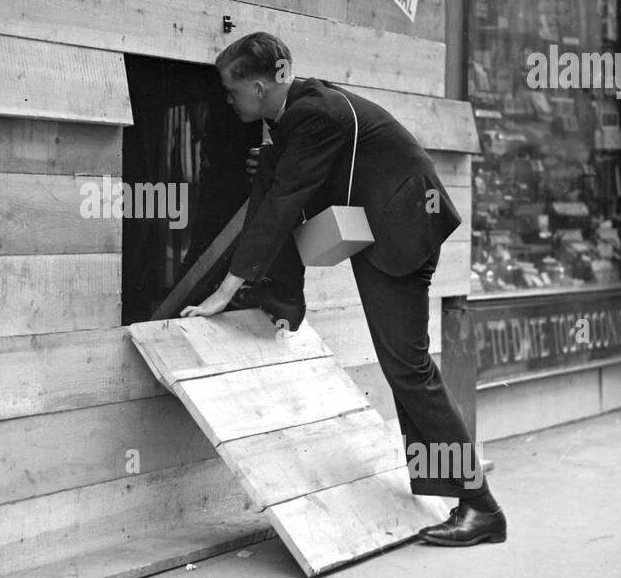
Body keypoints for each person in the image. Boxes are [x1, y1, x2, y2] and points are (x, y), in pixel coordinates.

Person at [181, 32, 506, 546]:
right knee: (407, 370)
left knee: (410, 369)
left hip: (402, 230)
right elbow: (294, 177)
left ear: (263, 86)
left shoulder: (316, 113)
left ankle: (482, 507)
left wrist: (227, 288)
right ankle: (457, 495)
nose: (228, 101)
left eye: (232, 91)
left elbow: (288, 199)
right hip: (384, 222)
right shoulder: (291, 112)